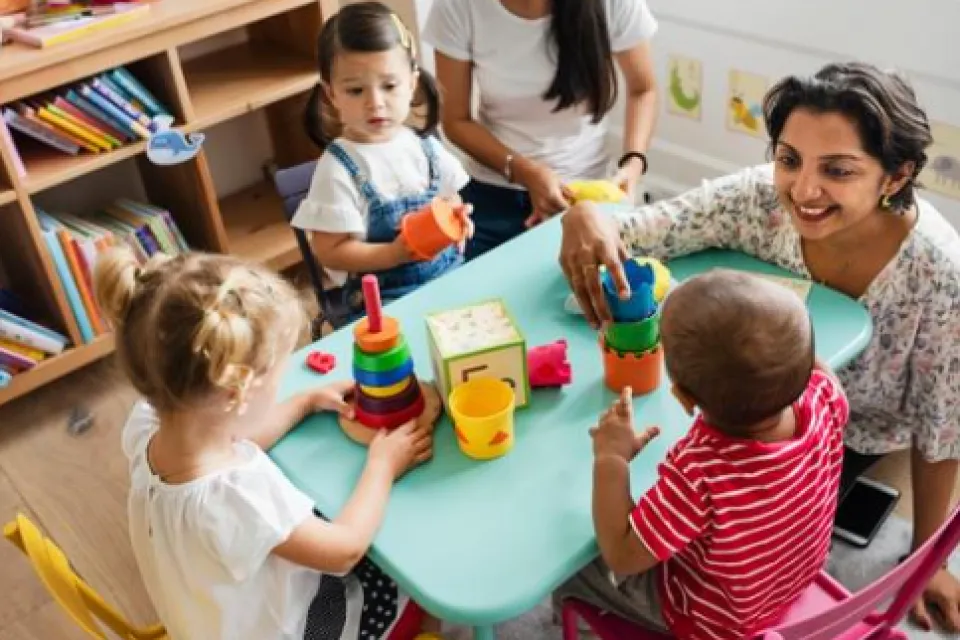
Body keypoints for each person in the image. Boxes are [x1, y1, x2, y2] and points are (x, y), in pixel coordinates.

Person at [559, 61, 960, 632]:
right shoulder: (758, 200)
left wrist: (929, 560)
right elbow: (642, 228)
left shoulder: (940, 274)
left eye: (838, 170)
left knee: (604, 515)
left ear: (895, 176)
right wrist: (585, 215)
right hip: (778, 415)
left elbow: (942, 426)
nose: (804, 190)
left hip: (846, 437)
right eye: (789, 158)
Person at [94, 249, 436, 639]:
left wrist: (304, 402)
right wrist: (383, 466)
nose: (282, 386)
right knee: (412, 576)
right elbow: (345, 550)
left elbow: (231, 437)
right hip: (286, 629)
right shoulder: (237, 499)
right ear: (236, 394)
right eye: (278, 378)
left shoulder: (148, 425)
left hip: (208, 619)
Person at [555, 269, 850, 639]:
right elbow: (815, 370)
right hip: (787, 583)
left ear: (683, 397)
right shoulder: (825, 397)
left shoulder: (700, 472)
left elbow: (622, 554)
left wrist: (611, 458)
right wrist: (783, 350)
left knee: (571, 561)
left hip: (714, 624)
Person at [423, 0, 659, 259]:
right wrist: (525, 171)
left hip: (586, 192)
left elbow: (643, 90)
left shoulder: (612, 5)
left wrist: (633, 165)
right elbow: (456, 120)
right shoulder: (458, 7)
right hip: (494, 190)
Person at [293, 2, 473, 322]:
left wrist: (457, 220)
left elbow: (449, 198)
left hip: (450, 277)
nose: (375, 103)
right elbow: (329, 250)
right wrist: (393, 254)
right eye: (355, 90)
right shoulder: (338, 170)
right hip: (385, 300)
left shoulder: (424, 148)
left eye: (389, 86)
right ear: (331, 94)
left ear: (412, 83)